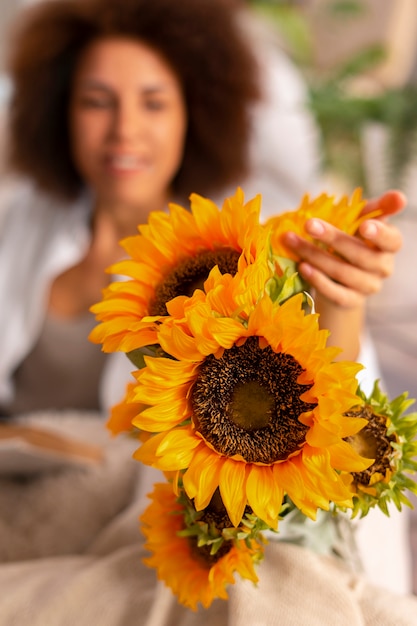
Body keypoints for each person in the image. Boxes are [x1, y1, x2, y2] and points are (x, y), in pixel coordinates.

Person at [0, 0, 413, 622]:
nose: (124, 131)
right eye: (96, 100)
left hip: (158, 529)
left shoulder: (243, 248)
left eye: (153, 102)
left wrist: (340, 294)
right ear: (59, 111)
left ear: (196, 112)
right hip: (35, 520)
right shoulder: (15, 231)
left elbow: (329, 392)